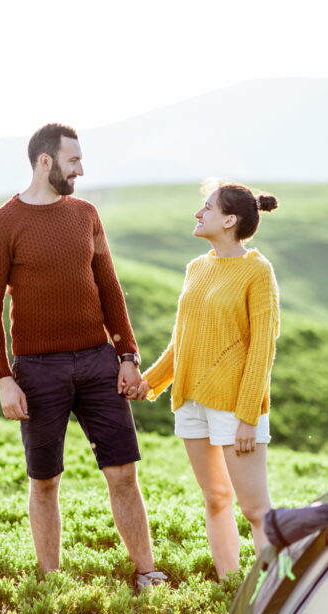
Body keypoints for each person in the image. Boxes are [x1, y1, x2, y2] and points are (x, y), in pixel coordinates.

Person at [0, 123, 166, 588]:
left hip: (99, 363)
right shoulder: (3, 224)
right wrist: (3, 378)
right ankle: (52, 582)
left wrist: (127, 355)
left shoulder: (86, 214)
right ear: (46, 161)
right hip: (38, 371)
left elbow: (109, 287)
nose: (81, 169)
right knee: (44, 481)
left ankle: (147, 572)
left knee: (123, 474)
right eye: (73, 160)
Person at [136, 181, 280, 579]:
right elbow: (184, 339)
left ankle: (274, 592)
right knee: (216, 498)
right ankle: (229, 585)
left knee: (255, 509)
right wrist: (150, 382)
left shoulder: (257, 271)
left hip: (235, 406)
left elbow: (263, 347)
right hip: (191, 401)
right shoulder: (196, 268)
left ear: (229, 220)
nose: (198, 214)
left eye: (207, 208)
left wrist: (248, 416)